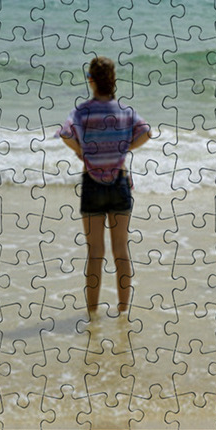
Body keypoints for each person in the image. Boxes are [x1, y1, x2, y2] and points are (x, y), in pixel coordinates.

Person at [59, 56, 151, 319]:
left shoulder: (82, 111)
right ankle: (123, 310)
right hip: (120, 182)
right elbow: (146, 131)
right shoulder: (125, 110)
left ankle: (92, 313)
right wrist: (125, 148)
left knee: (95, 253)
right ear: (114, 81)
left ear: (91, 81)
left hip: (92, 183)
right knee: (121, 250)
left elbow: (65, 133)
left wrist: (81, 152)